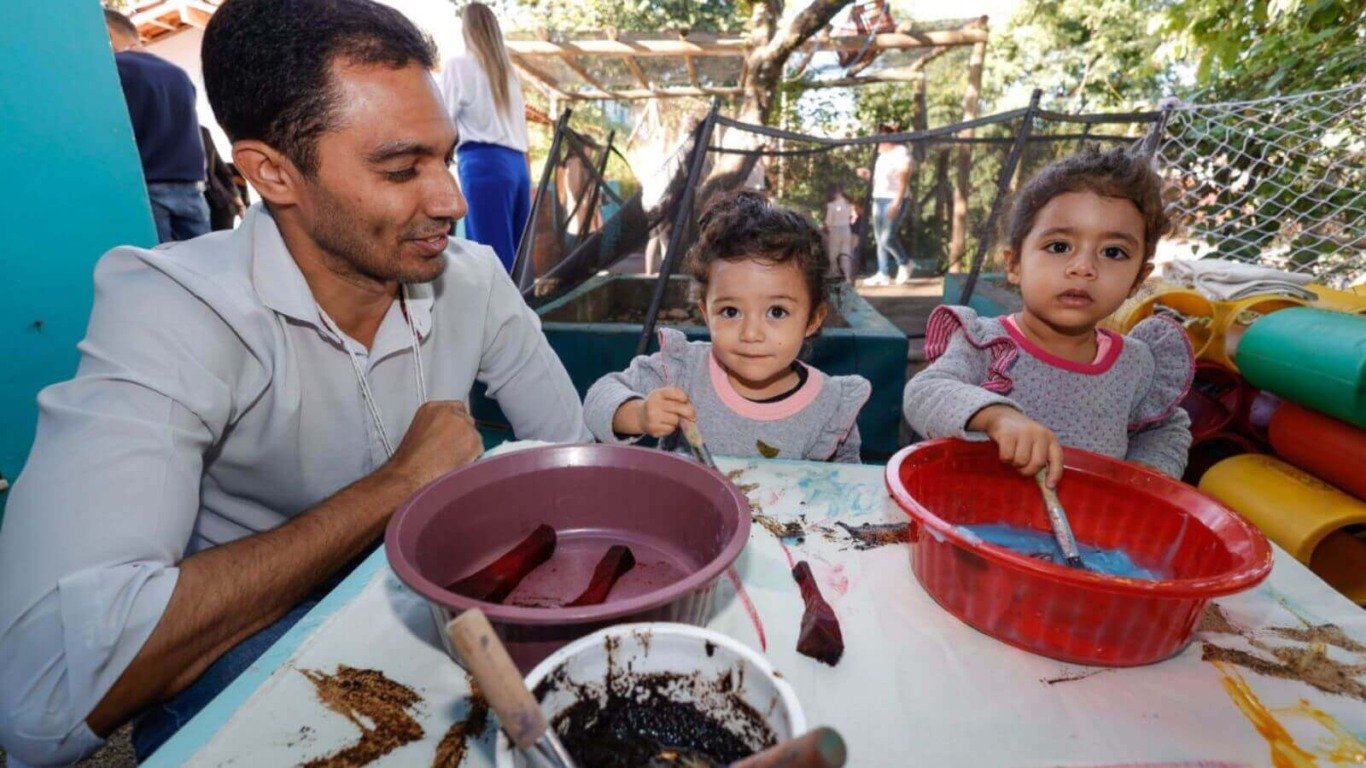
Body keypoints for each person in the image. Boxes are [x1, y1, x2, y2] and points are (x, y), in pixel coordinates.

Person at [0, 1, 589, 765]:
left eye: (446, 156)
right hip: (252, 637)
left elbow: (578, 463)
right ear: (271, 172)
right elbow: (36, 698)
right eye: (400, 168)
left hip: (434, 605)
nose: (452, 201)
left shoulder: (470, 281)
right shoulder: (176, 308)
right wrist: (398, 486)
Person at [902, 145, 1194, 484]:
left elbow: (1165, 427)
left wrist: (1147, 473)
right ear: (1014, 263)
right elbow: (925, 391)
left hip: (1084, 530)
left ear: (1138, 280)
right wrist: (995, 415)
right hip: (975, 521)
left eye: (1113, 252)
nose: (1083, 267)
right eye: (1059, 247)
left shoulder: (1136, 364)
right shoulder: (984, 343)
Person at [584, 192, 871, 463]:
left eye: (777, 311)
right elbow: (598, 398)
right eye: (730, 311)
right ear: (706, 314)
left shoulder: (830, 406)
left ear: (813, 319)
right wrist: (639, 414)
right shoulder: (681, 371)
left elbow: (846, 483)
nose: (751, 334)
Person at [104, 9, 212, 243]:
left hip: (149, 187)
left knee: (158, 269)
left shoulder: (115, 70)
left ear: (108, 35)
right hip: (192, 186)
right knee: (205, 261)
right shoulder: (178, 74)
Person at [439, 2, 532, 271]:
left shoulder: (459, 65)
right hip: (518, 167)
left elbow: (444, 121)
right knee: (518, 254)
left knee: (489, 254)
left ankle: (496, 314)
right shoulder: (508, 73)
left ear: (467, 30)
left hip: (485, 164)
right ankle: (524, 311)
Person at [859, 122, 913, 286]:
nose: (878, 142)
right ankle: (883, 273)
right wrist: (867, 175)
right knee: (879, 238)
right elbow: (878, 181)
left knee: (887, 237)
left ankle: (904, 263)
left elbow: (904, 181)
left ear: (889, 139)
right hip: (879, 198)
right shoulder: (881, 157)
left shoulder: (902, 153)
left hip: (895, 199)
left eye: (881, 138)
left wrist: (896, 203)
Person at [201, 125, 247, 230]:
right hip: (195, 202)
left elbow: (221, 169)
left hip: (219, 201)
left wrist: (239, 202)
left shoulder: (203, 131)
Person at [823, 183, 857, 284]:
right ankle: (847, 276)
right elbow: (852, 217)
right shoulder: (848, 204)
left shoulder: (831, 206)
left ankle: (834, 274)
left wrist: (827, 226)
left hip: (835, 230)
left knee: (833, 254)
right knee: (845, 253)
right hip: (847, 229)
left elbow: (828, 221)